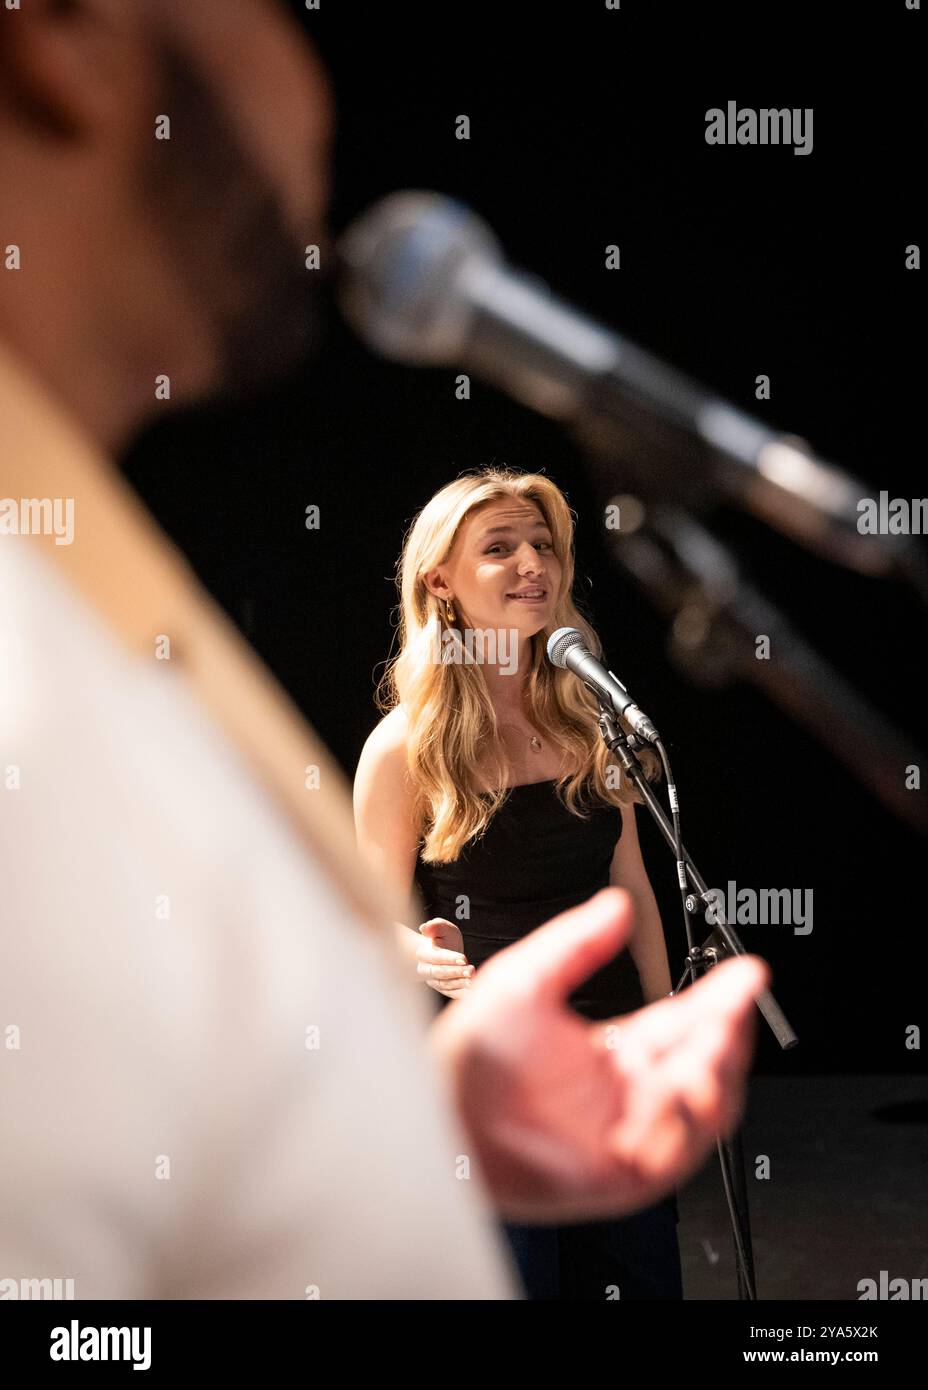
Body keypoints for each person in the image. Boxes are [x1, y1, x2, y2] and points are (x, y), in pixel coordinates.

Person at [0, 0, 769, 1300]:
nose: (320, 96)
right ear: (62, 35)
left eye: (543, 544)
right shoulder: (43, 682)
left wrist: (415, 1116)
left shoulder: (74, 591)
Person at [354, 468, 689, 1298]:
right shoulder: (405, 750)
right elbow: (366, 927)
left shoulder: (589, 717)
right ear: (441, 581)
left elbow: (632, 886)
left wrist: (659, 1025)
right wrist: (418, 956)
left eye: (543, 545)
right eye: (499, 548)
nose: (531, 563)